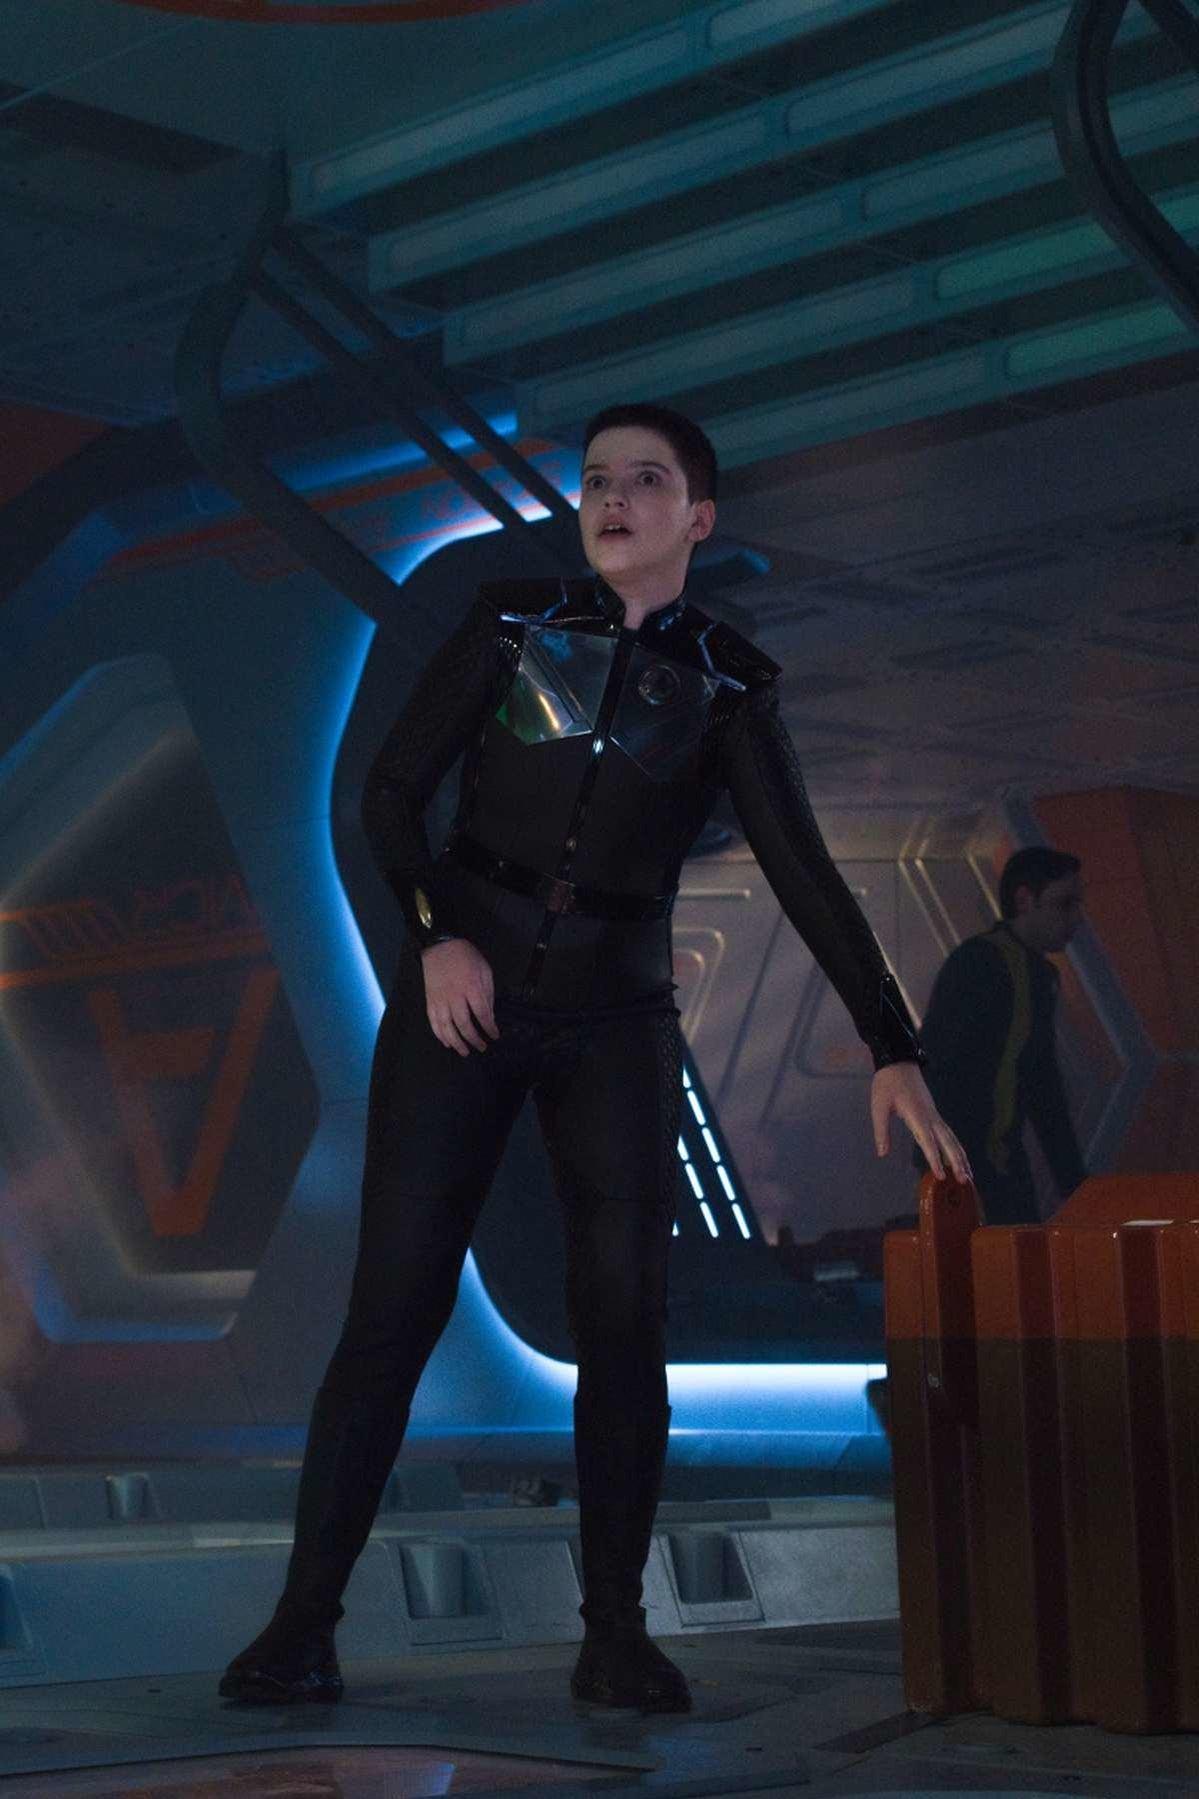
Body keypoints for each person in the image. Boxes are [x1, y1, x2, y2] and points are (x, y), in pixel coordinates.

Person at [220, 402, 969, 1714]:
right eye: (596, 479)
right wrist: (435, 937)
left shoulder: (730, 684)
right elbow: (387, 794)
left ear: (698, 517)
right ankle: (300, 1626)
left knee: (623, 1317)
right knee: (392, 1308)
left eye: (645, 480)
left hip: (616, 1021)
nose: (612, 498)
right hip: (462, 1000)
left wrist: (890, 1045)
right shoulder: (511, 624)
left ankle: (614, 1635)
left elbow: (802, 872)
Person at [917, 846, 1086, 1225]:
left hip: (991, 1164)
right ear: (1025, 900)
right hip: (972, 1167)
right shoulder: (985, 963)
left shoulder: (1032, 972)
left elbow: (1041, 1084)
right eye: (1065, 903)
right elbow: (944, 1066)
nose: (1077, 917)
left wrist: (1074, 1183)